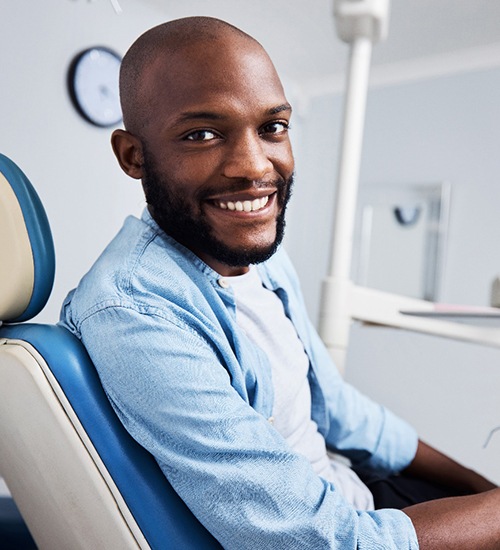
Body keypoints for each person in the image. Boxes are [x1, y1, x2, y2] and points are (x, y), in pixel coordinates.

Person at [60, 16, 500, 549]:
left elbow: (336, 407)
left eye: (273, 127)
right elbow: (321, 542)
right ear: (134, 156)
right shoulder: (135, 314)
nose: (254, 167)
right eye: (201, 134)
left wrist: (481, 490)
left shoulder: (255, 252)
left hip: (364, 499)